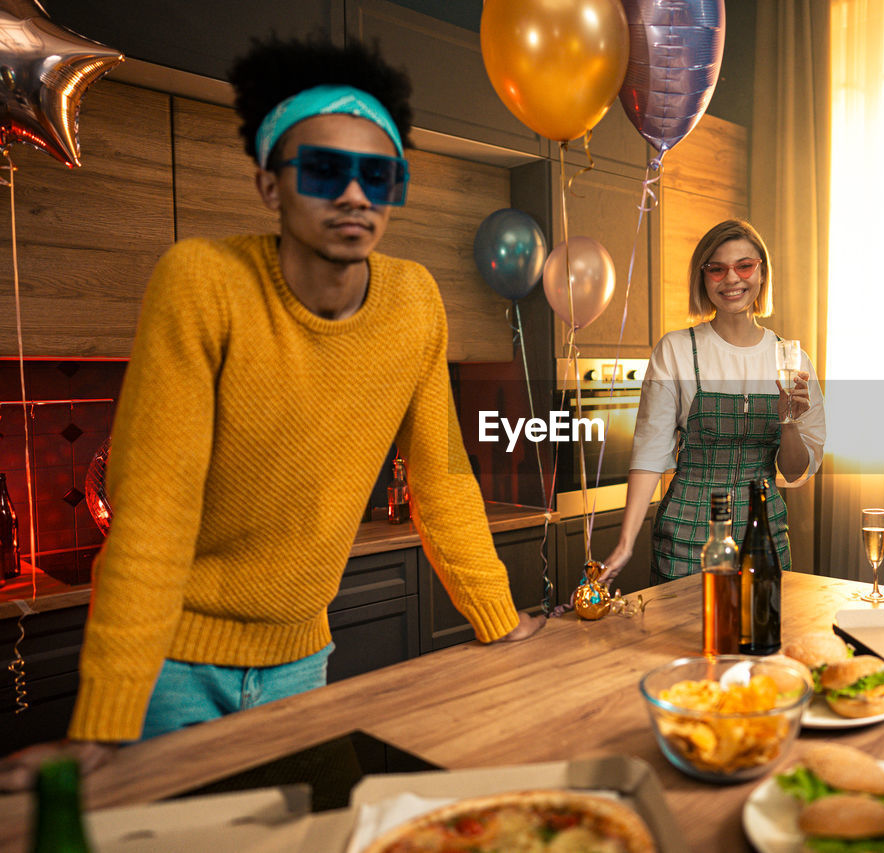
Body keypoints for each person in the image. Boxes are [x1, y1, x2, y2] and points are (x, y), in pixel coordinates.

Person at [0, 36, 542, 788]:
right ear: (268, 185)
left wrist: (500, 620)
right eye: (323, 169)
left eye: (376, 174)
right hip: (173, 665)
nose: (353, 193)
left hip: (302, 658)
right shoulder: (201, 283)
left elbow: (443, 479)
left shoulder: (416, 301)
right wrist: (103, 721)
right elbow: (154, 506)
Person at [602, 219, 826, 584]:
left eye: (744, 266)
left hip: (764, 532)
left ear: (761, 272)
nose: (732, 279)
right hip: (686, 536)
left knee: (762, 635)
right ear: (702, 278)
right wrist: (625, 544)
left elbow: (795, 470)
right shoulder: (675, 349)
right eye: (717, 269)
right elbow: (649, 452)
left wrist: (789, 420)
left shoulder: (792, 359)